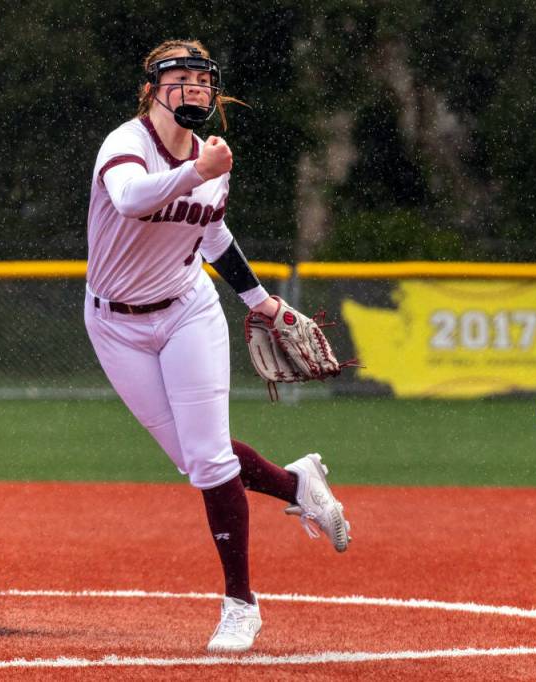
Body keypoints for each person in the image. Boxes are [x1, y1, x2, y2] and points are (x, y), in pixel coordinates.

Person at [81, 39, 351, 653]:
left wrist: (259, 300)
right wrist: (196, 172)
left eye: (202, 81)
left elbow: (212, 234)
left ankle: (241, 605)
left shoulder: (211, 163)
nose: (193, 89)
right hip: (114, 325)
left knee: (207, 461)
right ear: (151, 90)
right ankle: (297, 484)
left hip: (186, 313)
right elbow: (129, 199)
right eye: (178, 79)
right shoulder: (125, 144)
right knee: (193, 456)